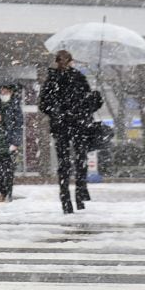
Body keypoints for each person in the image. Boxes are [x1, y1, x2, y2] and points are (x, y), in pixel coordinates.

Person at [38, 50, 101, 214]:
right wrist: (57, 111)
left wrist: (94, 98)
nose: (64, 63)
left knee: (81, 160)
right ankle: (66, 199)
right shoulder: (52, 80)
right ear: (57, 61)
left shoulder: (79, 78)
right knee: (64, 163)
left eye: (67, 60)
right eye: (61, 60)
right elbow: (43, 104)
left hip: (79, 124)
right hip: (62, 126)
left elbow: (89, 103)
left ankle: (80, 194)